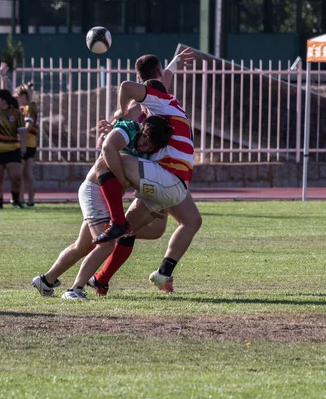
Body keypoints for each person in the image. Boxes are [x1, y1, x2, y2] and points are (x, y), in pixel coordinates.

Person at [31, 115, 174, 298]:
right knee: (107, 244)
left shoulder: (149, 150)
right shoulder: (130, 128)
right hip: (95, 191)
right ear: (143, 130)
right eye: (144, 142)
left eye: (150, 147)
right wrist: (123, 179)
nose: (144, 148)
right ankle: (75, 289)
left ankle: (45, 281)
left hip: (107, 197)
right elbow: (108, 147)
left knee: (82, 246)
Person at [85, 78, 201, 295]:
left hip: (167, 180)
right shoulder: (163, 121)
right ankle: (103, 279)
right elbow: (141, 141)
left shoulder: (162, 104)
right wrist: (117, 129)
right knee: (132, 231)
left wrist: (120, 114)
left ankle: (110, 223)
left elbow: (127, 86)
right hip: (172, 184)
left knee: (115, 159)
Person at [13, 81, 38, 207]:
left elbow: (28, 125)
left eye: (18, 96)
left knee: (21, 173)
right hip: (30, 144)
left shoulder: (29, 107)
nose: (16, 98)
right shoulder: (22, 108)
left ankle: (21, 200)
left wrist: (19, 136)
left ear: (24, 96)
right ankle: (30, 201)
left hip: (26, 144)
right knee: (27, 173)